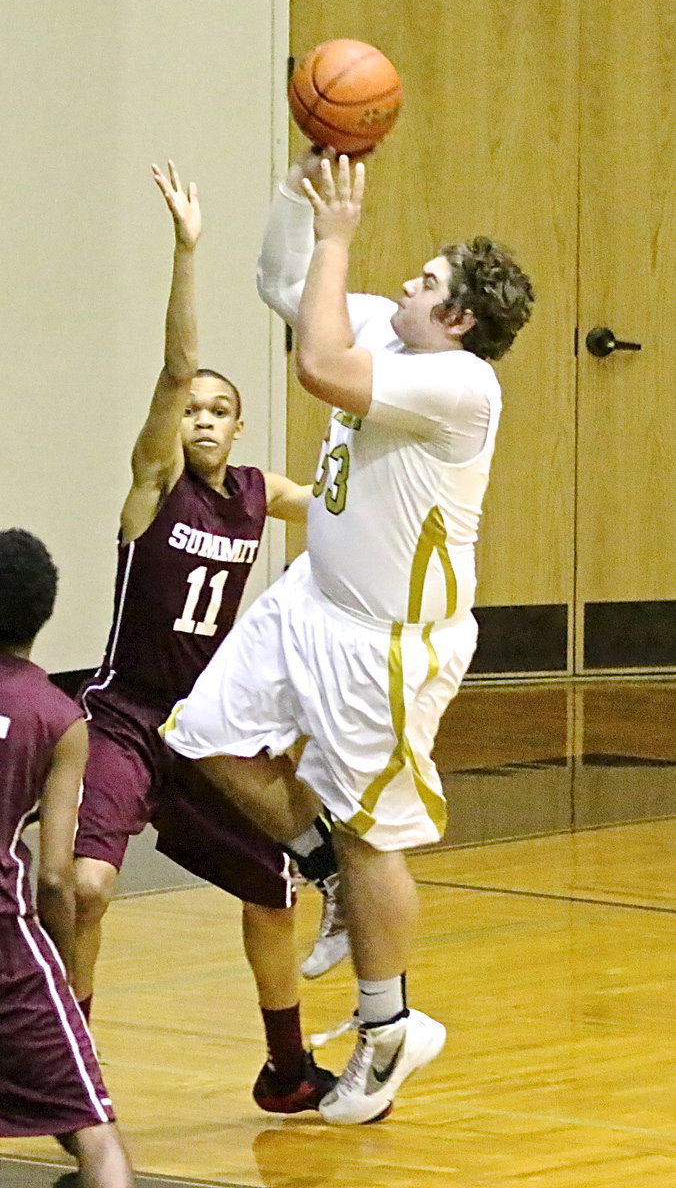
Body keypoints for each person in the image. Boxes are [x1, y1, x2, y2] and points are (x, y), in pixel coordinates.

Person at [161, 149, 535, 1124]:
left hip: (386, 647)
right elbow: (284, 283)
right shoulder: (381, 327)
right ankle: (319, 869)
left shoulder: (464, 386)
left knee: (375, 836)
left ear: (459, 319)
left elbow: (319, 367)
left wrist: (338, 237)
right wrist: (300, 189)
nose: (406, 284)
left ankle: (389, 1027)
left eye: (428, 282)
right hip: (310, 599)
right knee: (203, 737)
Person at [71, 161, 334, 1114]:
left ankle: (287, 1070)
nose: (203, 419)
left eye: (219, 410)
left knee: (273, 891)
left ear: (241, 425)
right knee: (88, 888)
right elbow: (177, 368)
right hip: (124, 718)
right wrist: (189, 252)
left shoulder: (258, 495)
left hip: (204, 730)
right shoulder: (155, 486)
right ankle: (70, 1070)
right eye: (192, 410)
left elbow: (343, 508)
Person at [0, 529, 134, 1186]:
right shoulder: (58, 717)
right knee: (97, 1138)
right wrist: (60, 972)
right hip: (5, 943)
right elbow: (56, 877)